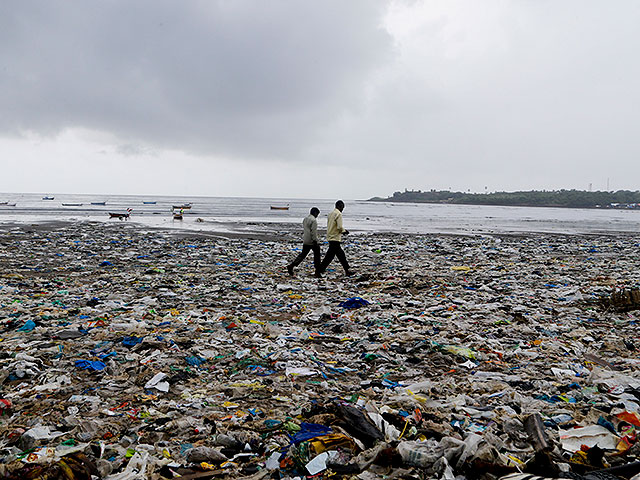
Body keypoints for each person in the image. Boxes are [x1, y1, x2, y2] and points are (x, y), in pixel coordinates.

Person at [317, 200, 351, 277]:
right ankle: (319, 270)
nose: (342, 209)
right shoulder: (338, 214)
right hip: (335, 238)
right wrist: (344, 231)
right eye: (342, 207)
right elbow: (339, 227)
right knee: (331, 257)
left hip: (330, 236)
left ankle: (347, 270)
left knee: (338, 255)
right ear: (340, 206)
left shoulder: (330, 214)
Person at [287, 207, 321, 276]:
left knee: (303, 254)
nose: (317, 216)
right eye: (317, 214)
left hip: (306, 239)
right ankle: (317, 271)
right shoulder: (313, 220)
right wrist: (315, 240)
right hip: (311, 240)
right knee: (317, 255)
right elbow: (313, 232)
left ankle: (292, 265)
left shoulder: (305, 219)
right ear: (315, 213)